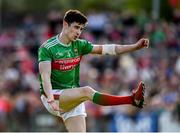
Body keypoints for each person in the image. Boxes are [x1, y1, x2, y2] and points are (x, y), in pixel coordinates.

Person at [38, 9, 149, 132]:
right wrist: (51, 99)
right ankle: (131, 100)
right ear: (65, 24)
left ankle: (133, 100)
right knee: (87, 91)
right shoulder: (47, 48)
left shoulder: (80, 45)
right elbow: (45, 77)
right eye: (76, 27)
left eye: (81, 29)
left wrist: (134, 46)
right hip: (53, 95)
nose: (78, 32)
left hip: (73, 97)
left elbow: (109, 49)